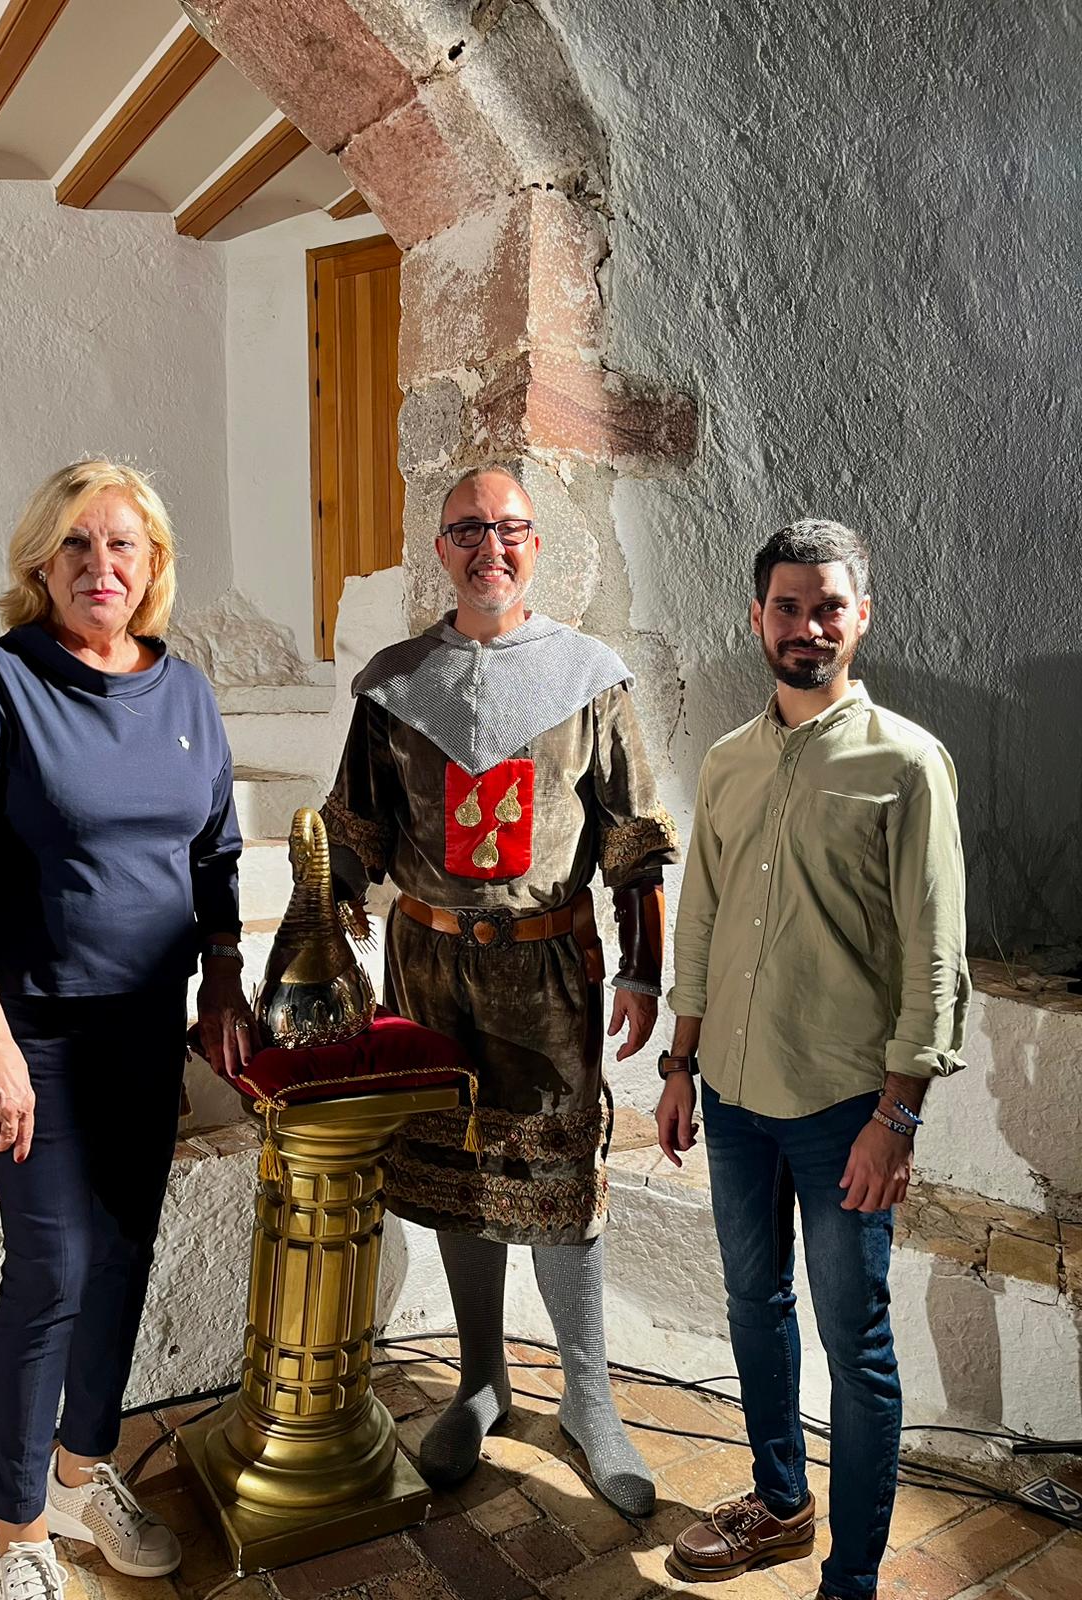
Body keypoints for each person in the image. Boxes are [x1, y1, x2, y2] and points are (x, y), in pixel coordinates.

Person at [0, 461, 255, 1599]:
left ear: (151, 568)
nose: (102, 568)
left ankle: (81, 1467)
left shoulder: (187, 694)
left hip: (144, 1036)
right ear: (40, 565)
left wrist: (222, 982)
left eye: (124, 548)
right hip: (34, 1034)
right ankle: (14, 1527)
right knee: (51, 1266)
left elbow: (215, 856)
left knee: (121, 1263)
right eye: (78, 547)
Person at [321, 465, 677, 1516]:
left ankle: (589, 1398)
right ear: (440, 548)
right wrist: (322, 940)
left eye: (511, 529)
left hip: (548, 976)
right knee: (454, 1173)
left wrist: (645, 967)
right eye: (468, 529)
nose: (492, 548)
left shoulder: (588, 676)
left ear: (537, 546)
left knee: (561, 1187)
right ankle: (481, 1379)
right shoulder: (393, 683)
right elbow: (355, 833)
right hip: (428, 971)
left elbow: (633, 840)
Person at [656, 520, 969, 1599]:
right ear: (757, 618)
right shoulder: (730, 762)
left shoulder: (909, 763)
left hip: (846, 1110)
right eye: (786, 606)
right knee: (753, 1304)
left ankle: (854, 1579)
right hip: (734, 1101)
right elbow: (700, 922)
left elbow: (937, 955)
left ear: (862, 617)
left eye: (828, 605)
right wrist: (677, 1065)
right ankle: (780, 1502)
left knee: (858, 1346)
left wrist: (901, 1114)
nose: (806, 626)